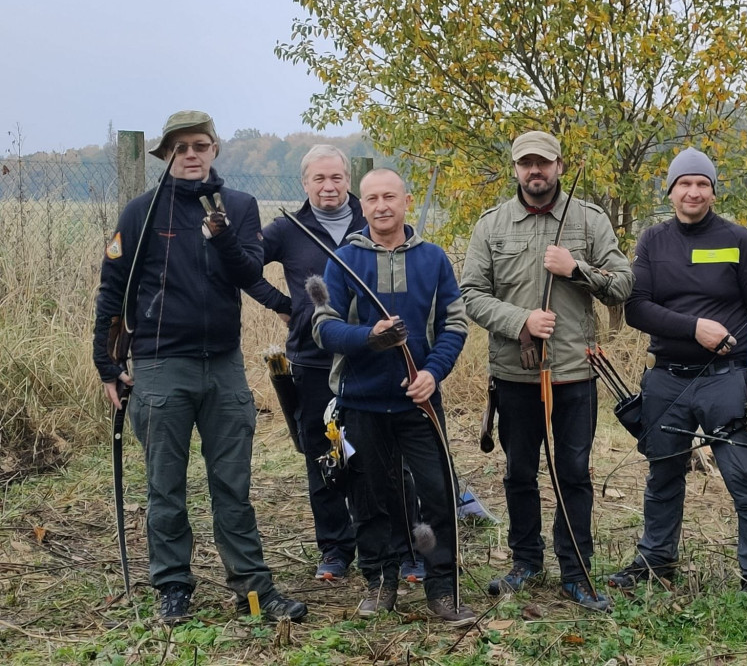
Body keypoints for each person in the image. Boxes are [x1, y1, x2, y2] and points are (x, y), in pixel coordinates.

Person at [92, 110, 306, 624]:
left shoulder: (239, 206)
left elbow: (248, 271)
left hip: (225, 365)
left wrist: (224, 235)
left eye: (200, 145)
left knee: (232, 484)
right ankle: (172, 587)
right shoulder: (141, 213)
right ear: (166, 154)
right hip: (162, 365)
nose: (191, 155)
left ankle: (253, 590)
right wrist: (107, 364)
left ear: (214, 151)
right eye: (181, 147)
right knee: (165, 485)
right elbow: (112, 292)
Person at [460, 130, 633, 612]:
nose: (534, 171)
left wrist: (577, 269)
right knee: (519, 472)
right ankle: (525, 562)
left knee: (573, 473)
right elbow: (472, 293)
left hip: (574, 374)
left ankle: (576, 571)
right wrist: (522, 321)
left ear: (559, 164)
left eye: (543, 162)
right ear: (514, 169)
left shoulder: (590, 220)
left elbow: (622, 285)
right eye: (525, 163)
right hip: (515, 375)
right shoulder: (491, 226)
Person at [246, 145, 424, 583]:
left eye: (337, 178)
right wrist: (284, 305)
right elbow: (243, 267)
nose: (329, 187)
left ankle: (405, 550)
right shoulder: (288, 230)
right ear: (305, 184)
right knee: (325, 455)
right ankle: (335, 548)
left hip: (371, 361)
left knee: (389, 458)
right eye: (319, 179)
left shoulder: (372, 219)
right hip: (312, 360)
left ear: (349, 181)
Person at [610, 147, 747, 602]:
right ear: (670, 190)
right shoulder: (652, 242)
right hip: (666, 378)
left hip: (726, 378)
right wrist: (695, 329)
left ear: (712, 191)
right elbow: (637, 308)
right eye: (684, 183)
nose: (693, 191)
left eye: (702, 183)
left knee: (745, 474)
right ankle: (655, 559)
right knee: (662, 475)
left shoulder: (737, 239)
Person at [310, 168, 474, 626]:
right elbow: (323, 327)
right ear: (361, 206)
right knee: (370, 496)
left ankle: (442, 588)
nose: (381, 206)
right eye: (371, 199)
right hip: (362, 402)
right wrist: (369, 337)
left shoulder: (434, 259)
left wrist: (432, 373)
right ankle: (381, 582)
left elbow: (454, 324)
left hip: (419, 403)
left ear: (406, 200)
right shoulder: (343, 260)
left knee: (438, 494)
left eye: (390, 196)